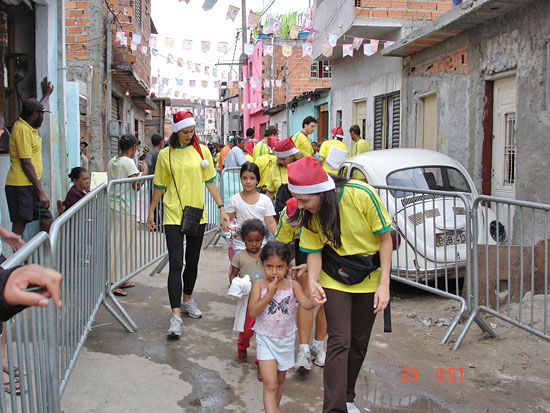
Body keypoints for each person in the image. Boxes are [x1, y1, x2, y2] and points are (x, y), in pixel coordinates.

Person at [288, 156, 392, 413]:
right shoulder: (309, 214)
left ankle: (347, 397)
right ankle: (334, 409)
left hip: (369, 277)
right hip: (335, 276)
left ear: (322, 193)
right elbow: (314, 251)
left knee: (359, 342)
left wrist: (384, 285)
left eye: (305, 200)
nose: (300, 206)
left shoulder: (361, 194)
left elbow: (385, 239)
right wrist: (313, 281)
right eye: (297, 200)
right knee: (340, 340)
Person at [147, 110, 229, 337]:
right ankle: (175, 316)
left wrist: (222, 208)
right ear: (176, 132)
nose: (189, 135)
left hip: (196, 215)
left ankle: (187, 300)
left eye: (192, 131)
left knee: (192, 262)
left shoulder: (202, 151)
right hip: (173, 215)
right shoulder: (166, 155)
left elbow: (210, 182)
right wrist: (151, 211)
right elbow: (159, 186)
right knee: (176, 263)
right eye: (185, 132)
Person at [248, 241, 314, 413]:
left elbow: (306, 304)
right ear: (262, 264)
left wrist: (315, 299)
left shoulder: (293, 285)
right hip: (265, 339)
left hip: (286, 340)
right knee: (270, 384)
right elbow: (253, 311)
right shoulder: (259, 285)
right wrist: (269, 294)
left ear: (287, 266)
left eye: (280, 267)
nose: (274, 272)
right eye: (269, 266)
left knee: (280, 379)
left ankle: (274, 408)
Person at [6, 79, 55, 236]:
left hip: (30, 185)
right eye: (42, 114)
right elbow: (26, 163)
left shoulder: (29, 125)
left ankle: (40, 250)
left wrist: (46, 95)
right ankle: (17, 251)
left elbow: (38, 108)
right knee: (20, 224)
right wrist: (40, 191)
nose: (43, 117)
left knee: (48, 220)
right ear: (35, 115)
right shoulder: (22, 130)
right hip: (20, 185)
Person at [229, 219, 267, 381]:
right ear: (243, 239)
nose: (254, 244)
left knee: (263, 333)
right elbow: (233, 273)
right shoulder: (239, 256)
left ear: (263, 239)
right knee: (246, 331)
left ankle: (262, 363)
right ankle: (242, 346)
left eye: (258, 240)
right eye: (250, 240)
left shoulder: (266, 255)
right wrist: (236, 284)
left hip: (265, 300)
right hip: (248, 301)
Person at [108, 134, 145, 296]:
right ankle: (114, 281)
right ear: (134, 147)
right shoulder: (128, 162)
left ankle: (120, 278)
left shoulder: (113, 161)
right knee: (121, 244)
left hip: (113, 206)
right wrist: (145, 171)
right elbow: (136, 185)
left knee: (119, 243)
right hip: (124, 208)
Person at [226, 162, 277, 255]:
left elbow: (270, 222)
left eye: (252, 178)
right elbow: (226, 221)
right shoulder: (234, 199)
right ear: (240, 179)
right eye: (244, 178)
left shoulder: (265, 200)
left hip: (261, 246)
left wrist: (279, 240)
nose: (248, 182)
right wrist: (230, 232)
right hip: (240, 246)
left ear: (257, 180)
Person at [266, 138, 302, 217]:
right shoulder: (275, 169)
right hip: (281, 212)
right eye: (278, 159)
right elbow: (270, 193)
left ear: (292, 156)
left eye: (283, 159)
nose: (280, 161)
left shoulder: (302, 167)